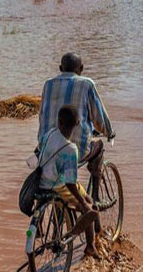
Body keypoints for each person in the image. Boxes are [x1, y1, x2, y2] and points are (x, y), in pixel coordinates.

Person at [37, 53, 115, 223]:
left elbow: (42, 115)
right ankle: (94, 195)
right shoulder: (86, 84)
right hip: (74, 148)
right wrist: (109, 132)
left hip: (45, 148)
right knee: (99, 146)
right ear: (81, 69)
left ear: (60, 69)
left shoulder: (48, 84)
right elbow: (99, 118)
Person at [38, 105, 100, 258]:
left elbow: (40, 150)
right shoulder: (71, 149)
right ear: (77, 123)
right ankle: (90, 246)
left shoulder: (49, 134)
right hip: (58, 186)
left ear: (59, 122)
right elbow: (70, 183)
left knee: (84, 198)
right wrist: (83, 203)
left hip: (41, 181)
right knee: (89, 203)